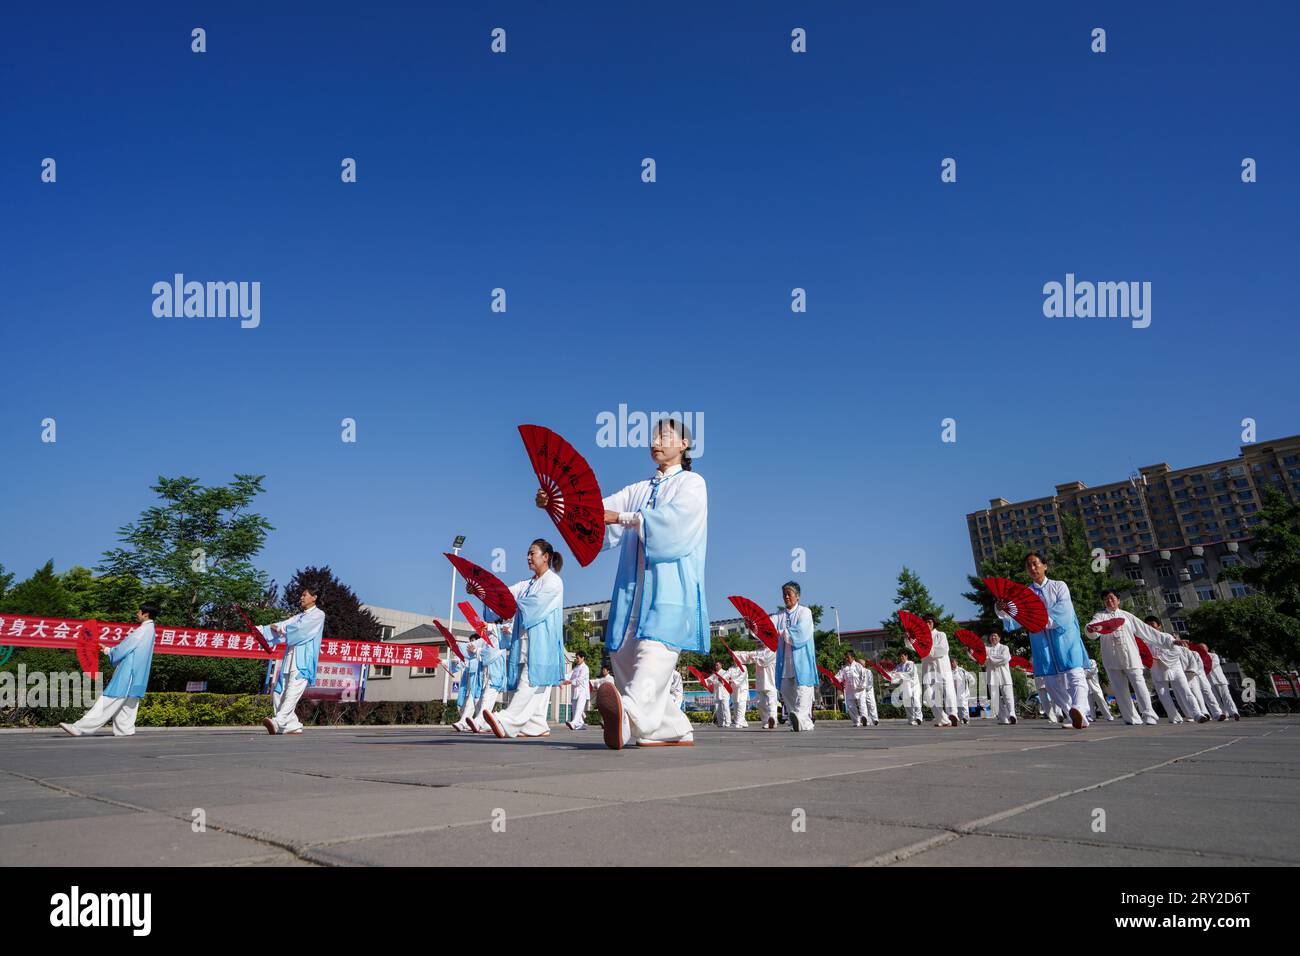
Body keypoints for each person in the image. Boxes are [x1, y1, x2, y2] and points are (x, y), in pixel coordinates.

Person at [582, 417, 707, 749]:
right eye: (653, 437)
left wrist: (625, 518)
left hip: (669, 593)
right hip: (631, 592)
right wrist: (559, 504)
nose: (657, 441)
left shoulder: (692, 484)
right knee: (624, 655)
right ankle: (673, 727)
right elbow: (598, 509)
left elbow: (676, 524)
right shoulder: (639, 489)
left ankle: (628, 717)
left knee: (654, 655)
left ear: (684, 445)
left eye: (665, 436)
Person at [481, 540, 565, 739]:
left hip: (543, 644)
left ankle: (507, 720)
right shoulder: (526, 584)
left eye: (532, 553)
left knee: (529, 681)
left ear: (545, 557)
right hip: (524, 641)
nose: (528, 557)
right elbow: (504, 595)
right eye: (527, 553)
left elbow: (533, 606)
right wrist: (484, 593)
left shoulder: (553, 582)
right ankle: (536, 725)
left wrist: (511, 606)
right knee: (531, 683)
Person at [997, 553, 1091, 730]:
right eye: (1029, 566)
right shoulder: (1025, 594)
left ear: (1044, 566)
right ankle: (1073, 713)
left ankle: (1079, 708)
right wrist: (1003, 609)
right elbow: (1017, 616)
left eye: (1035, 564)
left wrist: (1040, 620)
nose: (1032, 568)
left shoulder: (1059, 586)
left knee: (1075, 674)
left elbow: (1064, 611)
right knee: (1051, 683)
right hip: (1042, 643)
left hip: (1065, 638)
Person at [60, 602, 160, 737]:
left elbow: (125, 647)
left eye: (139, 611)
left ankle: (80, 728)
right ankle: (125, 730)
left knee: (108, 699)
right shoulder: (151, 630)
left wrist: (108, 650)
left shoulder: (142, 630)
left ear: (146, 614)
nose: (137, 614)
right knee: (129, 703)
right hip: (139, 675)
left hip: (129, 673)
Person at [260, 586, 326, 735]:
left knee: (292, 692)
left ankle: (278, 721)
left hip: (303, 660)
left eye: (304, 595)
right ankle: (292, 725)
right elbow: (284, 624)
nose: (301, 598)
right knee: (279, 692)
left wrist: (281, 629)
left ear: (314, 597)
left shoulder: (318, 615)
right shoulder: (298, 616)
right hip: (289, 658)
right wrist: (262, 630)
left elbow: (300, 630)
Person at [1085, 591, 1159, 726]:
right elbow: (1092, 629)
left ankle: (1149, 715)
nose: (1109, 601)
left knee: (1140, 685)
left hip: (1131, 657)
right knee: (1120, 689)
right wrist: (1091, 629)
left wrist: (1169, 641)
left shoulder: (1127, 616)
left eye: (1112, 598)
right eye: (1106, 599)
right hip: (1112, 658)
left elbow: (1147, 631)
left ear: (1118, 600)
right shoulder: (1100, 616)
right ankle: (1131, 717)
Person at [1140, 616, 1204, 724]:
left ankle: (1197, 714)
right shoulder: (1145, 641)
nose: (1150, 626)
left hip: (1174, 668)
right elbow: (1144, 654)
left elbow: (1176, 651)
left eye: (1153, 624)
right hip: (1157, 669)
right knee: (1163, 694)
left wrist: (1160, 658)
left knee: (1185, 691)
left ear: (1159, 626)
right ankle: (1174, 717)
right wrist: (1150, 659)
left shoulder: (1167, 637)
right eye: (1148, 624)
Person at [773, 582, 817, 732]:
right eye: (784, 594)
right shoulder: (779, 615)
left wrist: (783, 632)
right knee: (786, 690)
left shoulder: (805, 612)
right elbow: (767, 628)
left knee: (803, 690)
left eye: (789, 594)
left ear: (797, 596)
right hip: (784, 661)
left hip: (801, 660)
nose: (786, 597)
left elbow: (802, 632)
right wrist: (754, 628)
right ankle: (802, 722)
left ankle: (800, 718)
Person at [914, 614, 960, 728]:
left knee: (948, 691)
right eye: (925, 622)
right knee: (929, 695)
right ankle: (942, 719)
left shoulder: (940, 635)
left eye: (929, 622)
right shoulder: (920, 638)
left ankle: (952, 714)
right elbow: (912, 646)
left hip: (942, 668)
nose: (927, 624)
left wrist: (926, 650)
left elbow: (943, 649)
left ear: (934, 623)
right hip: (928, 670)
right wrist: (908, 638)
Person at [734, 642, 779, 729]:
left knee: (771, 702)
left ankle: (773, 719)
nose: (761, 642)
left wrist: (752, 657)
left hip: (771, 682)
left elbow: (763, 660)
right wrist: (736, 654)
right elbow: (747, 655)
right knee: (761, 704)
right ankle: (766, 721)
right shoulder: (759, 651)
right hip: (760, 682)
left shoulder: (773, 650)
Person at [472, 628, 508, 732]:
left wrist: (476, 650)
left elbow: (490, 653)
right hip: (487, 674)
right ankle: (485, 724)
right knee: (483, 698)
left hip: (495, 675)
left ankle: (479, 722)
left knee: (486, 698)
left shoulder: (499, 635)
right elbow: (480, 645)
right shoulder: (489, 637)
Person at [1181, 643, 1223, 721]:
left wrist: (1193, 671)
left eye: (1185, 645)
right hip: (1191, 679)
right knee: (1198, 697)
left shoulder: (1195, 653)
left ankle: (1217, 713)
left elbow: (1200, 666)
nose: (1184, 646)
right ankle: (1204, 713)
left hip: (1200, 676)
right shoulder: (1179, 655)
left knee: (1209, 695)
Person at [984, 633, 1016, 724]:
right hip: (992, 677)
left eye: (995, 636)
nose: (993, 637)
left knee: (1008, 697)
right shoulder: (987, 649)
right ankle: (1004, 719)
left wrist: (990, 659)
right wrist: (970, 652)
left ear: (999, 637)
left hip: (1004, 676)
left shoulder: (1004, 648)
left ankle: (1012, 715)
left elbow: (1005, 658)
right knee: (995, 699)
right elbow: (981, 660)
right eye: (991, 636)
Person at [452, 640, 484, 733]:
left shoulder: (489, 641)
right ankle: (480, 723)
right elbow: (461, 662)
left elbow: (489, 653)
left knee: (476, 700)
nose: (471, 644)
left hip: (484, 678)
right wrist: (454, 645)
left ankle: (464, 723)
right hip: (472, 682)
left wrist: (476, 650)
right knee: (474, 701)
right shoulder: (470, 658)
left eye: (474, 641)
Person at [835, 651, 870, 727]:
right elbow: (839, 677)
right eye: (846, 657)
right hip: (849, 690)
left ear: (852, 657)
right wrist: (833, 679)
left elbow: (864, 677)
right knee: (850, 706)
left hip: (859, 689)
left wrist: (862, 685)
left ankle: (864, 718)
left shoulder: (859, 666)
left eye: (848, 657)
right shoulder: (844, 668)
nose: (846, 659)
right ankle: (856, 721)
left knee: (862, 704)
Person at [891, 651, 923, 725]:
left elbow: (909, 674)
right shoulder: (898, 666)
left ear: (906, 656)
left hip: (914, 686)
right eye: (900, 656)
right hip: (905, 687)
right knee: (907, 703)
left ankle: (918, 718)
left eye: (902, 656)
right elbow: (894, 676)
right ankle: (911, 719)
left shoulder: (910, 663)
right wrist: (888, 675)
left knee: (916, 701)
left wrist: (896, 674)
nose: (901, 658)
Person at [1207, 650, 1240, 720]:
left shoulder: (1213, 655)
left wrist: (1203, 664)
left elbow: (1212, 665)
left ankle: (1234, 712)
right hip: (1210, 681)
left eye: (1203, 647)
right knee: (1216, 699)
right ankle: (1223, 714)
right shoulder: (1199, 656)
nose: (1201, 649)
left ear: (1207, 648)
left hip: (1220, 680)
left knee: (1226, 696)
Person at [562, 650, 591, 730]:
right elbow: (568, 675)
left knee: (579, 708)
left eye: (578, 658)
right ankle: (581, 725)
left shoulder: (585, 668)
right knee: (574, 709)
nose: (576, 660)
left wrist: (569, 682)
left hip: (583, 691)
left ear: (582, 658)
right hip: (575, 691)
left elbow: (579, 680)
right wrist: (561, 676)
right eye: (576, 658)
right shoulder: (575, 668)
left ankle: (573, 723)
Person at [726, 657, 749, 728]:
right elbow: (726, 675)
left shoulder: (743, 667)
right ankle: (742, 721)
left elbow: (742, 677)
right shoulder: (731, 668)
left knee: (741, 705)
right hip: (734, 690)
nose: (735, 660)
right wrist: (722, 678)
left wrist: (734, 681)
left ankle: (739, 722)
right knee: (735, 705)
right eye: (734, 659)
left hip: (742, 690)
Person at [708, 660, 732, 727]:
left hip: (724, 693)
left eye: (717, 665)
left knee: (726, 708)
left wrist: (713, 681)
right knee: (718, 708)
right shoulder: (714, 674)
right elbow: (708, 681)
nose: (716, 666)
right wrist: (704, 681)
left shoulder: (725, 672)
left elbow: (721, 681)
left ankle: (728, 722)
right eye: (715, 665)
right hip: (717, 693)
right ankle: (721, 723)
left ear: (721, 665)